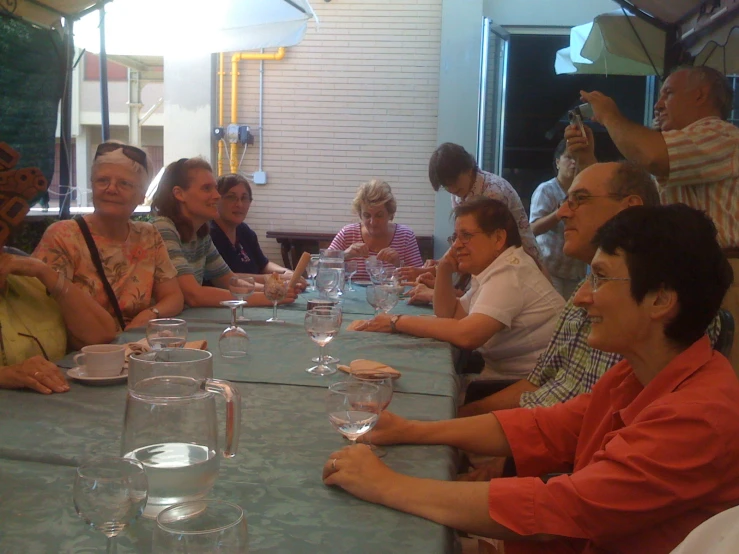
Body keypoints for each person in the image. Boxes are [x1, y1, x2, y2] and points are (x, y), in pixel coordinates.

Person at [323, 204, 739, 554]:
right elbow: (543, 427)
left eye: (601, 277)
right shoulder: (637, 373)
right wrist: (412, 430)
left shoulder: (700, 416)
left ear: (661, 300)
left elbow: (564, 510)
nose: (580, 297)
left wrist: (386, 485)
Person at [567, 66, 739, 370]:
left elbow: (652, 156)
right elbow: (631, 207)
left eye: (668, 93)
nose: (658, 104)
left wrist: (608, 115)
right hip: (694, 278)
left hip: (728, 279)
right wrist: (587, 161)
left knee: (716, 378)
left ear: (700, 94)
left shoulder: (719, 134)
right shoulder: (683, 154)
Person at [349, 197, 564, 381]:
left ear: (498, 238)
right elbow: (449, 313)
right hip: (503, 377)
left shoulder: (510, 273)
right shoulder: (495, 268)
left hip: (530, 388)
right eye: (456, 237)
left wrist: (396, 321)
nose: (457, 245)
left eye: (466, 236)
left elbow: (466, 335)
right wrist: (444, 268)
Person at [1, 150, 118, 394]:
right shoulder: (63, 234)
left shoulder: (24, 272)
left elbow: (102, 335)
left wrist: (46, 273)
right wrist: (6, 375)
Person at [33, 142, 183, 331]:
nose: (111, 189)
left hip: (134, 345)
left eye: (124, 183)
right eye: (102, 180)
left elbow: (174, 297)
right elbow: (42, 312)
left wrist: (150, 314)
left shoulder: (148, 235)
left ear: (141, 196)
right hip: (81, 351)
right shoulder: (63, 236)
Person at [151, 158, 296, 308]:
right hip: (159, 325)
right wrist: (270, 297)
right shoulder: (163, 228)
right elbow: (193, 296)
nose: (217, 196)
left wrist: (277, 289)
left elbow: (230, 282)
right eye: (207, 188)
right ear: (179, 194)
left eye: (215, 188)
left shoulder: (201, 233)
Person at [400, 143, 543, 285]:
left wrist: (439, 269)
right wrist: (439, 264)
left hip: (519, 266)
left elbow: (481, 248)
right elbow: (464, 239)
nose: (451, 189)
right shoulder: (460, 192)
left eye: (453, 181)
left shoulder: (493, 192)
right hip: (494, 267)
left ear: (468, 169)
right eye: (446, 185)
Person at [210, 173, 303, 286]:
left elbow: (264, 265)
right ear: (216, 200)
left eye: (244, 198)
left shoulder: (244, 231)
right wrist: (276, 278)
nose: (239, 204)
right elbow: (225, 277)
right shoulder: (208, 234)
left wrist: (287, 273)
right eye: (231, 197)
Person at [328, 179, 423, 281]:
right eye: (367, 215)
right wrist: (344, 255)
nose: (373, 222)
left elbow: (420, 278)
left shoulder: (405, 236)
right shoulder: (348, 233)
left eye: (379, 215)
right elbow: (320, 266)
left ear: (390, 214)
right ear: (360, 215)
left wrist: (398, 264)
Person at [529, 140, 587, 299]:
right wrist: (557, 214)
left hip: (576, 271)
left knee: (571, 320)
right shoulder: (546, 190)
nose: (574, 162)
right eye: (568, 157)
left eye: (577, 158)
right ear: (557, 162)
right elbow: (532, 228)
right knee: (555, 318)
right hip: (550, 269)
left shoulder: (585, 192)